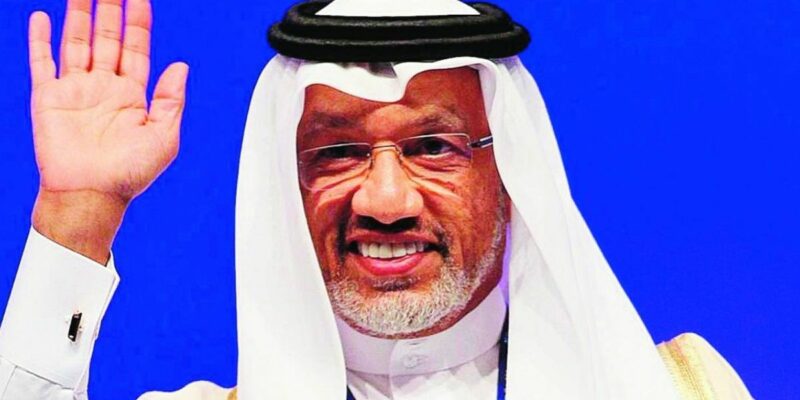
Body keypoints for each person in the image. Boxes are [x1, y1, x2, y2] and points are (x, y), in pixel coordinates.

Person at [0, 0, 753, 399]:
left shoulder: (684, 391)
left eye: (434, 148)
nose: (385, 200)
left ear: (510, 172)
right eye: (336, 153)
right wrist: (79, 214)